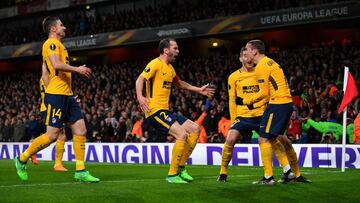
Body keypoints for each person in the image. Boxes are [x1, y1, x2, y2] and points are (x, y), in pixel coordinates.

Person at [14, 16, 99, 182]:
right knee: (52, 135)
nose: (64, 27)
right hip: (56, 95)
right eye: (61, 25)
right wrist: (78, 69)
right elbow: (56, 65)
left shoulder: (60, 46)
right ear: (53, 29)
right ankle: (22, 158)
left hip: (67, 94)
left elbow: (49, 71)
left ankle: (80, 170)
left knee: (81, 130)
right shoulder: (50, 44)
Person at [135, 38, 214, 183]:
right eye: (175, 48)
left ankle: (182, 168)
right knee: (182, 134)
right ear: (166, 50)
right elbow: (140, 79)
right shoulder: (155, 64)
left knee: (195, 128)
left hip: (165, 110)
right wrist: (140, 97)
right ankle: (172, 175)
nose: (178, 51)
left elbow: (179, 84)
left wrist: (199, 90)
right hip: (154, 111)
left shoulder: (170, 68)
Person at [239, 39, 311, 184]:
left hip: (277, 104)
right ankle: (292, 173)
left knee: (263, 138)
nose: (245, 52)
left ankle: (268, 177)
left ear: (254, 51)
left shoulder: (261, 67)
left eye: (247, 49)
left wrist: (246, 101)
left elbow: (264, 93)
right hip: (285, 104)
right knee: (279, 139)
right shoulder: (270, 62)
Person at [218, 48, 293, 183]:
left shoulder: (260, 72)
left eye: (249, 56)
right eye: (244, 56)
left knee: (273, 139)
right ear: (241, 59)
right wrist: (234, 118)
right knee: (230, 139)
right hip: (243, 116)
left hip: (261, 114)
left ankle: (286, 169)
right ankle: (223, 171)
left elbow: (267, 93)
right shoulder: (233, 77)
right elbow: (232, 100)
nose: (248, 59)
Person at [33, 65, 68, 171]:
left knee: (59, 135)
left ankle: (57, 164)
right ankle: (57, 164)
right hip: (51, 106)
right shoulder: (50, 78)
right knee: (55, 135)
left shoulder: (45, 77)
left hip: (49, 106)